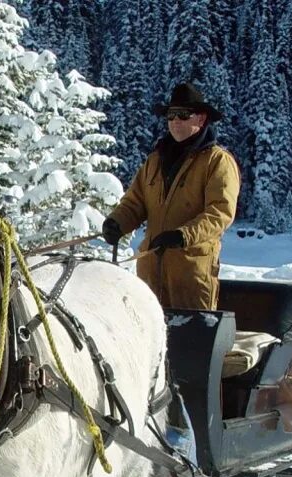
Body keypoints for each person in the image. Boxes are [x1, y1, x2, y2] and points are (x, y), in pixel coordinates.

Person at [102, 82, 240, 309]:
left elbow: (220, 213)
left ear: (201, 119)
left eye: (184, 115)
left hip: (191, 275)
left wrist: (183, 235)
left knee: (190, 342)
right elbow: (135, 202)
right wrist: (117, 222)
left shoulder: (217, 161)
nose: (176, 121)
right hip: (149, 273)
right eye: (171, 115)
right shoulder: (155, 160)